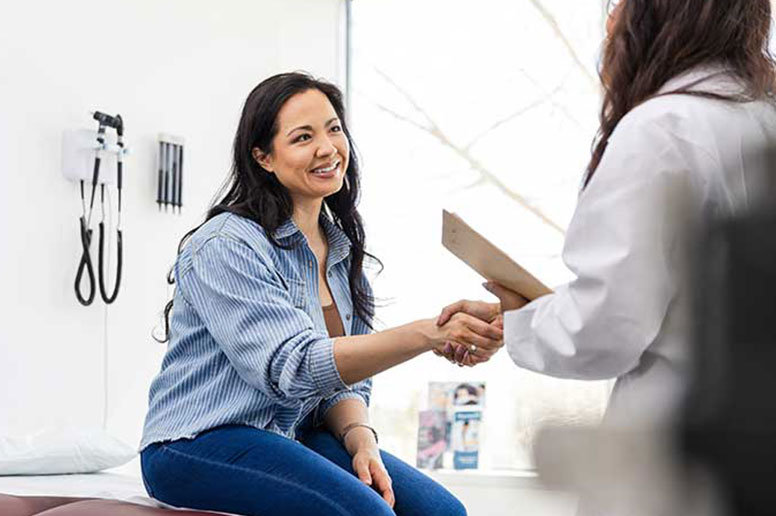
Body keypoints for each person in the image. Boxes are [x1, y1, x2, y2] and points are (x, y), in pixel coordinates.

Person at [140, 72, 504, 516]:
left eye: (334, 128)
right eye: (302, 137)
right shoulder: (226, 245)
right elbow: (293, 368)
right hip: (196, 442)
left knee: (442, 513)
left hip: (286, 435)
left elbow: (340, 383)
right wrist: (427, 334)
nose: (328, 148)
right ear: (263, 157)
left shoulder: (340, 253)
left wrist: (361, 438)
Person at [438, 0, 776, 426]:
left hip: (680, 436)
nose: (614, 15)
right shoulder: (761, 113)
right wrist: (528, 316)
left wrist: (524, 319)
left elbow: (605, 331)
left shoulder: (661, 128)